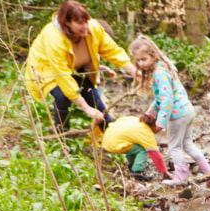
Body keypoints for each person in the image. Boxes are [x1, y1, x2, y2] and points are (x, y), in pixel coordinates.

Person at [23, 1, 134, 132]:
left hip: (76, 65)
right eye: (79, 23)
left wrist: (133, 70)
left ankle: (108, 128)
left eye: (86, 21)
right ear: (67, 23)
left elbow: (112, 50)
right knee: (62, 96)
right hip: (46, 68)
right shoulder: (53, 38)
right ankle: (61, 131)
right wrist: (86, 109)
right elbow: (63, 77)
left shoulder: (93, 28)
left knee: (90, 92)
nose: (85, 26)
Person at [128, 35, 210, 186]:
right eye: (138, 61)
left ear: (153, 55)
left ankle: (181, 177)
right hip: (187, 110)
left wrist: (160, 121)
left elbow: (167, 99)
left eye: (144, 59)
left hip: (177, 116)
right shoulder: (163, 66)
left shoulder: (159, 73)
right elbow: (162, 96)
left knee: (174, 147)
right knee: (188, 144)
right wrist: (151, 110)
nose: (141, 64)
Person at [100, 114, 169, 180]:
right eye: (161, 128)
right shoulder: (146, 133)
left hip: (107, 138)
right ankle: (137, 171)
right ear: (155, 125)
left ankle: (132, 166)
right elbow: (155, 155)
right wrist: (164, 171)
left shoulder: (135, 120)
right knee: (143, 149)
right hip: (114, 144)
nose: (160, 130)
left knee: (134, 145)